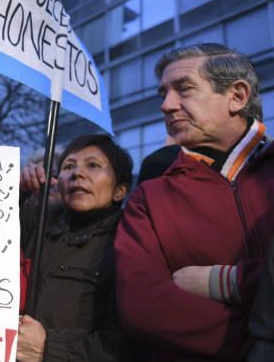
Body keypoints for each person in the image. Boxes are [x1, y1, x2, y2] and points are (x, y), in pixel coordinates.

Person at [115, 43, 274, 361]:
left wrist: (230, 281)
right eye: (163, 94)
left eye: (184, 89)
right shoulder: (148, 197)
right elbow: (141, 304)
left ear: (237, 96)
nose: (166, 105)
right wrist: (258, 346)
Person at [16, 134, 134, 362]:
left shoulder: (129, 244)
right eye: (68, 166)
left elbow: (128, 343)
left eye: (93, 165)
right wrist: (19, 193)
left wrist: (49, 348)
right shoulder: (38, 227)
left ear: (120, 190)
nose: (77, 173)